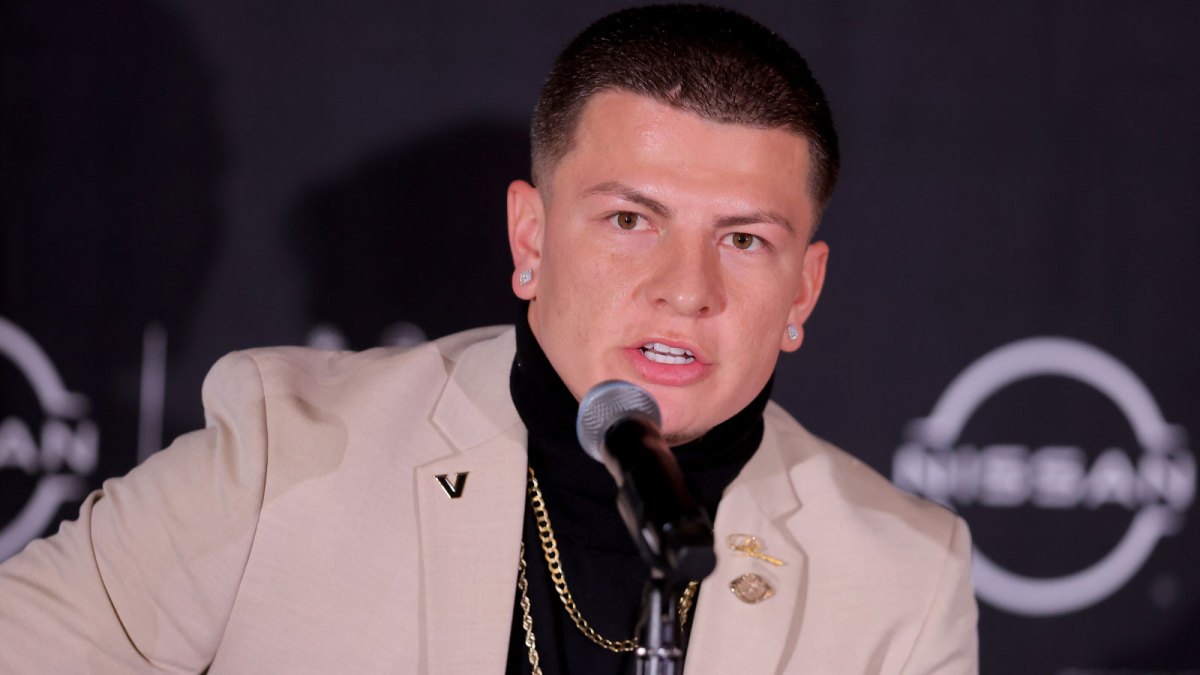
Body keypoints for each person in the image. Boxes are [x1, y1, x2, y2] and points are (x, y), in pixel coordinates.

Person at [0, 5, 977, 674]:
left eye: (744, 240)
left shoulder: (900, 575)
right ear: (530, 239)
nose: (688, 291)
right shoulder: (288, 453)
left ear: (804, 288)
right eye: (631, 220)